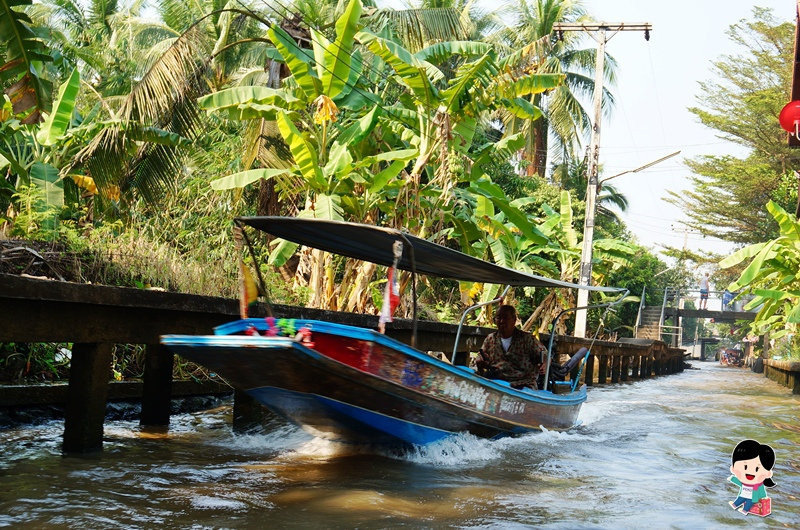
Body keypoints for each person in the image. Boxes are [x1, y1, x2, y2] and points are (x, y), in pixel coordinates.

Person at [474, 305, 546, 389]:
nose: (502, 321)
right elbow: (481, 357)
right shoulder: (490, 339)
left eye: (506, 318)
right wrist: (481, 361)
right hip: (496, 384)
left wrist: (545, 363)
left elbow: (544, 354)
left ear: (514, 319)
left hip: (522, 385)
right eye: (498, 318)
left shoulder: (527, 339)